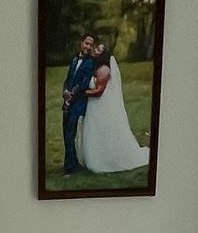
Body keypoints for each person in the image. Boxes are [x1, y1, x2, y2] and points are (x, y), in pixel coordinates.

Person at [78, 42, 150, 175]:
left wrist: (81, 93)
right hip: (94, 106)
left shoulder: (104, 69)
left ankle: (105, 159)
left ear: (103, 55)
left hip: (100, 105)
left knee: (102, 130)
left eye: (98, 49)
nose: (95, 50)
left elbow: (99, 91)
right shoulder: (96, 67)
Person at [60, 31, 101, 175]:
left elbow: (84, 82)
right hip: (68, 101)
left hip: (78, 102)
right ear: (81, 43)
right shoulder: (74, 60)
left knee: (70, 133)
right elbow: (68, 79)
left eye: (91, 44)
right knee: (65, 132)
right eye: (86, 43)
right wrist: (65, 90)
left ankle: (69, 168)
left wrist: (71, 94)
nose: (88, 46)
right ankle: (73, 162)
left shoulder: (90, 62)